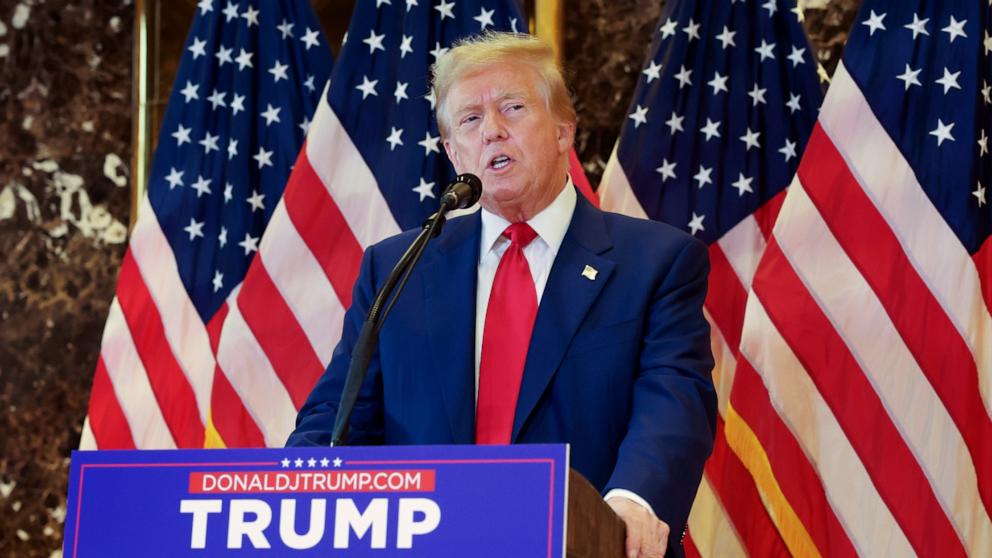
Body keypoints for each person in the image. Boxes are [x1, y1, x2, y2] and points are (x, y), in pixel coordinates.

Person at [288, 32, 717, 558]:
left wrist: (632, 502)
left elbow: (673, 400)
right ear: (452, 152)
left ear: (564, 131)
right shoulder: (398, 267)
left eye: (512, 108)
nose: (492, 131)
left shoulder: (655, 263)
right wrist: (293, 496)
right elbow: (338, 414)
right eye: (470, 119)